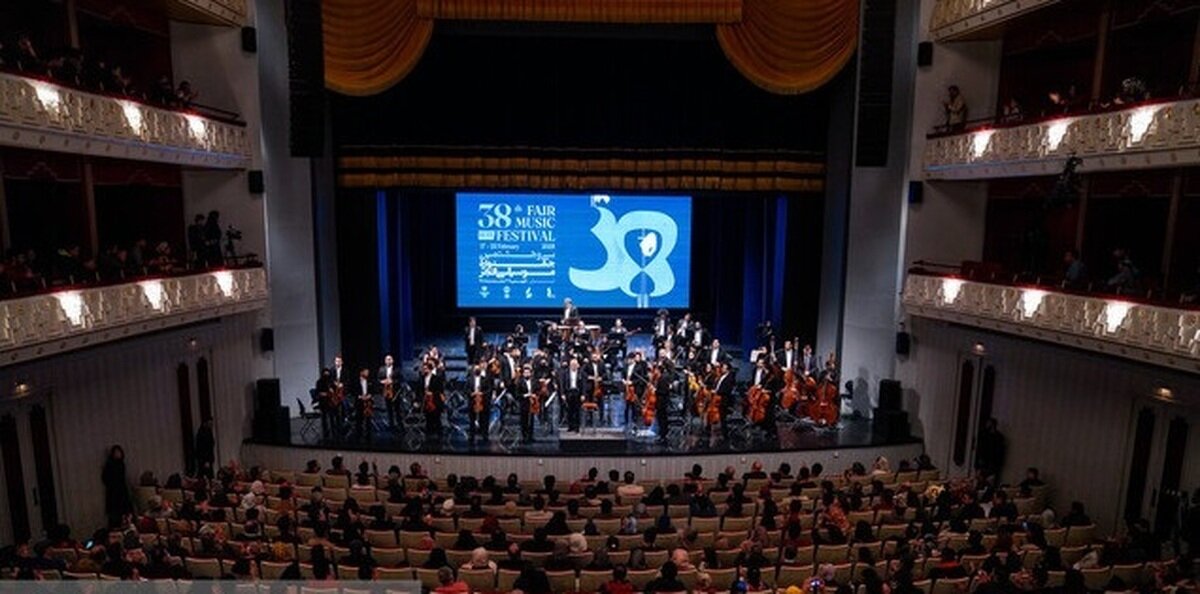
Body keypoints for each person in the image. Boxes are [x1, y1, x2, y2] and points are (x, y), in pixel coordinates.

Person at [102, 445, 132, 527]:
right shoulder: (109, 464)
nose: (118, 454)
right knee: (115, 513)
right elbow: (105, 478)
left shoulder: (122, 464)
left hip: (122, 490)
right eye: (116, 452)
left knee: (125, 512)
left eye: (119, 452)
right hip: (113, 492)